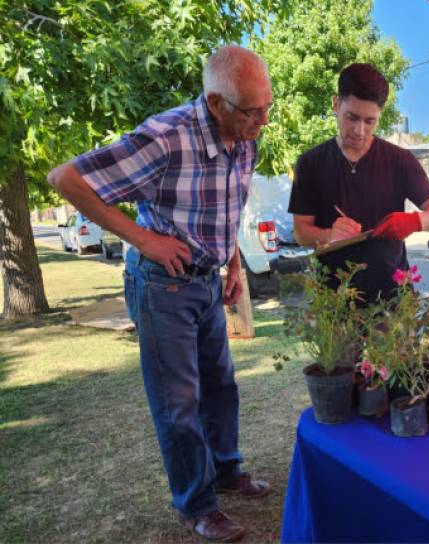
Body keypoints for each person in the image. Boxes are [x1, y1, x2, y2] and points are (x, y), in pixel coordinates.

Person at [47, 45, 272, 543]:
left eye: (267, 107)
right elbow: (66, 179)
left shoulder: (245, 136)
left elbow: (225, 206)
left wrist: (232, 261)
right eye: (252, 110)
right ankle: (197, 504)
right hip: (161, 286)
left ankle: (227, 471)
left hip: (209, 281)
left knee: (222, 386)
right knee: (179, 402)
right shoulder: (165, 137)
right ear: (216, 103)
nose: (263, 120)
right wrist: (145, 239)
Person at [289, 63, 429, 304]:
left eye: (369, 121)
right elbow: (302, 233)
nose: (359, 130)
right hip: (335, 303)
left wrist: (414, 221)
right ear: (336, 104)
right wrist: (330, 234)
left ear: (380, 116)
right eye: (351, 117)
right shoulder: (311, 163)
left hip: (393, 299)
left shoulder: (400, 160)